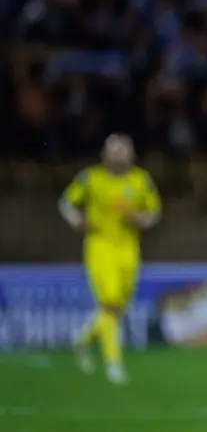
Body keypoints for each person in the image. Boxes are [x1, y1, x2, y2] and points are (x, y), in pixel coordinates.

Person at [60, 134, 162, 385]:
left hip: (128, 249)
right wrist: (76, 219)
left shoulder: (141, 180)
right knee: (109, 304)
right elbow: (66, 202)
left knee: (119, 306)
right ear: (104, 155)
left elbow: (154, 212)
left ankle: (84, 339)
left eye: (124, 151)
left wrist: (140, 219)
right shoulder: (90, 178)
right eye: (115, 152)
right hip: (100, 247)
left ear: (132, 155)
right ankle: (114, 364)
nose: (119, 156)